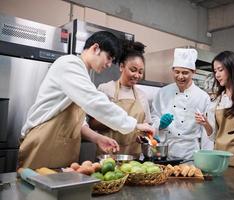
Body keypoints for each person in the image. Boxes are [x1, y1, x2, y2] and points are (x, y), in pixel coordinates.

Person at [18, 31, 155, 169]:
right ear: (95, 48)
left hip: (62, 147)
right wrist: (135, 125)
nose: (108, 64)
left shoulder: (83, 74)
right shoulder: (69, 64)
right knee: (33, 188)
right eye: (108, 58)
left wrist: (97, 138)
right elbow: (95, 102)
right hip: (43, 142)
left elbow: (79, 121)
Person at [88, 41, 151, 156]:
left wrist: (143, 136)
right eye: (133, 70)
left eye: (140, 72)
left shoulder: (142, 96)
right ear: (122, 66)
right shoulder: (105, 89)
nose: (137, 75)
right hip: (108, 157)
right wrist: (118, 122)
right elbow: (92, 124)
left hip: (133, 160)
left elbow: (146, 128)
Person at [151, 48, 214, 160]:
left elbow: (206, 132)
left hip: (191, 154)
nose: (180, 76)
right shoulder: (163, 92)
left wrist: (206, 158)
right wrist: (160, 124)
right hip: (166, 152)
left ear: (193, 72)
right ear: (173, 70)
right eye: (177, 72)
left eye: (185, 73)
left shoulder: (202, 97)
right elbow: (153, 117)